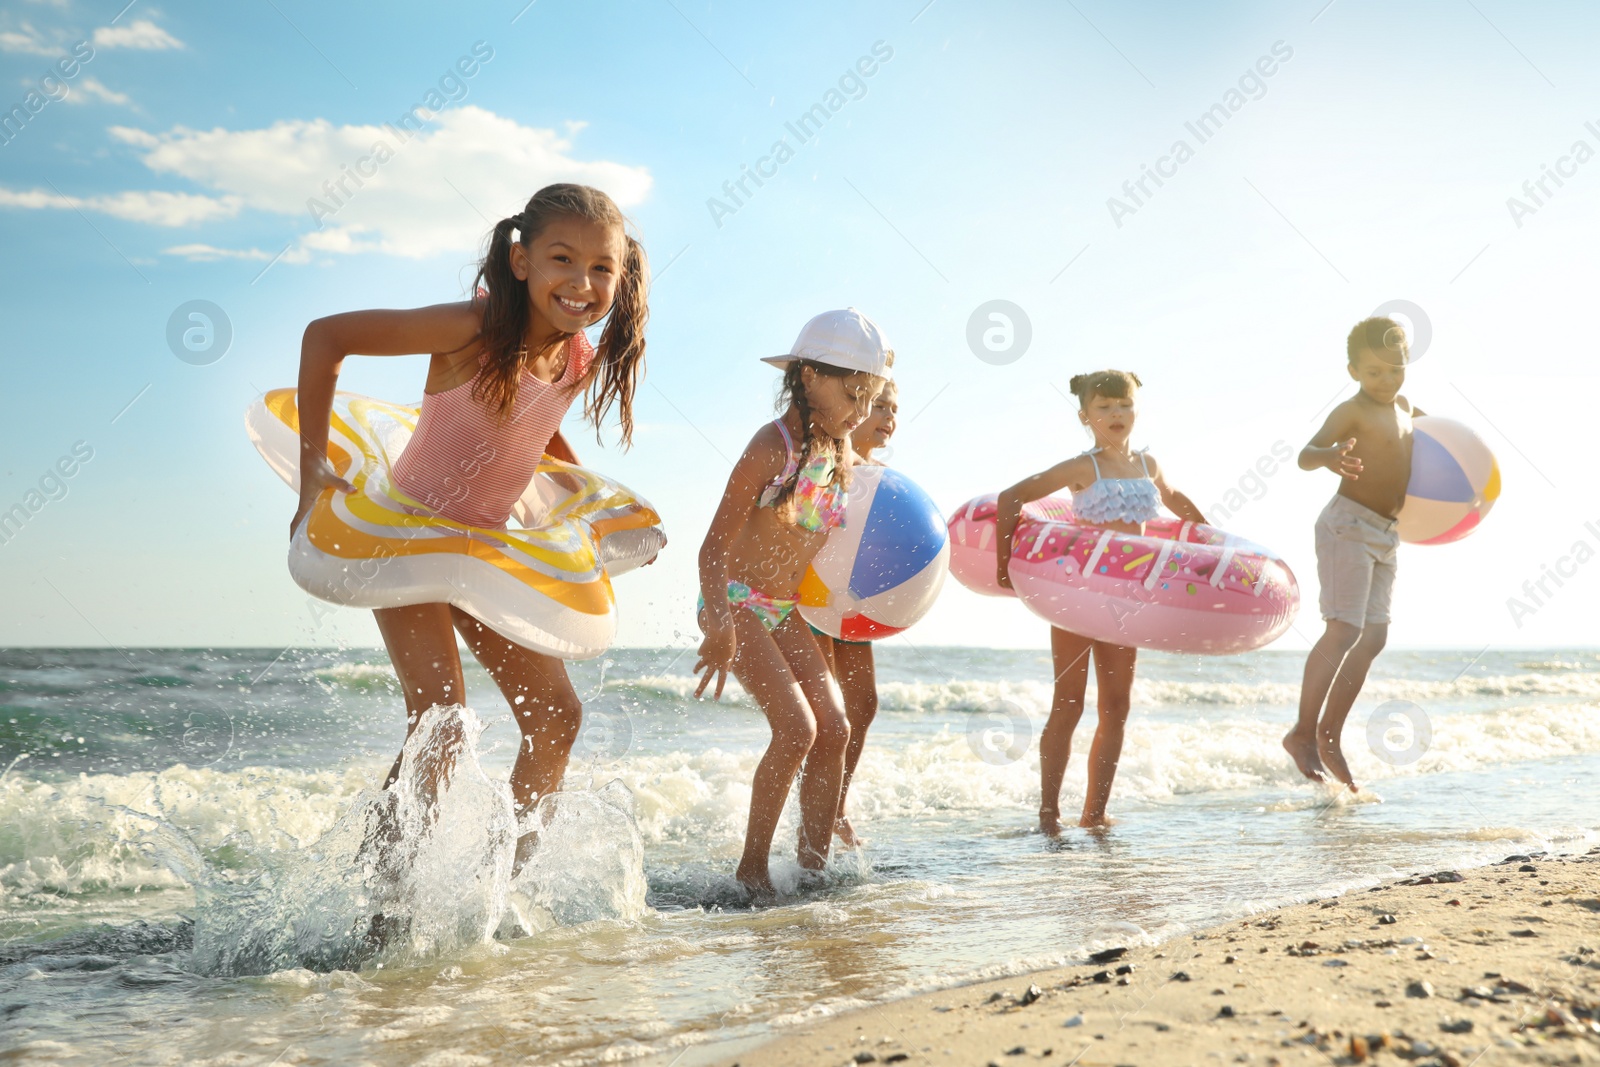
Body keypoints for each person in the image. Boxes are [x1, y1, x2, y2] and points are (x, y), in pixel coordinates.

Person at [290, 183, 651, 840]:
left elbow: (534, 432)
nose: (582, 282)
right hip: (407, 533)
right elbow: (325, 338)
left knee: (557, 716)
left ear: (621, 278)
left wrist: (582, 512)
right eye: (562, 259)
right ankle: (384, 902)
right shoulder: (472, 328)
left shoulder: (576, 356)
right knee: (443, 722)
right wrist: (312, 471)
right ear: (522, 262)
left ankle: (503, 885)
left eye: (603, 267)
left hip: (482, 546)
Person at [694, 309, 892, 895]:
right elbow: (711, 548)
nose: (861, 411)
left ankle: (812, 869)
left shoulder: (841, 456)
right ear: (807, 378)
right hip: (735, 602)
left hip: (781, 610)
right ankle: (751, 870)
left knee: (835, 725)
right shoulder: (770, 446)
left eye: (870, 398)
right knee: (797, 730)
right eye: (853, 394)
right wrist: (721, 625)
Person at [995, 370, 1206, 833]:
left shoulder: (1149, 466)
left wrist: (1211, 540)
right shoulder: (1081, 468)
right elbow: (1013, 497)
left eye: (1124, 405)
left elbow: (1175, 500)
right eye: (1105, 407)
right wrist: (1003, 565)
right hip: (1079, 599)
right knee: (1068, 704)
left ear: (1137, 409)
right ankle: (1049, 813)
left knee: (1117, 706)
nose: (1116, 414)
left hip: (1126, 604)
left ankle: (1094, 813)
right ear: (1085, 416)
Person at [1283, 317, 1423, 792]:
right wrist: (1328, 457)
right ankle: (1303, 731)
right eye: (1374, 372)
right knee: (1345, 629)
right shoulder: (1353, 410)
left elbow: (1442, 444)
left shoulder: (1406, 408)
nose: (1386, 381)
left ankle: (1329, 733)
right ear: (1354, 371)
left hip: (1387, 533)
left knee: (1375, 636)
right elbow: (1306, 453)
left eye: (1395, 369)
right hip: (1347, 524)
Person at [809, 380, 898, 848]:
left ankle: (836, 805)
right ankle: (815, 818)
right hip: (813, 596)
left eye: (894, 409)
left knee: (864, 705)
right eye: (881, 406)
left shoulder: (885, 478)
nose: (889, 417)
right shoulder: (824, 457)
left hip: (854, 603)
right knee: (830, 714)